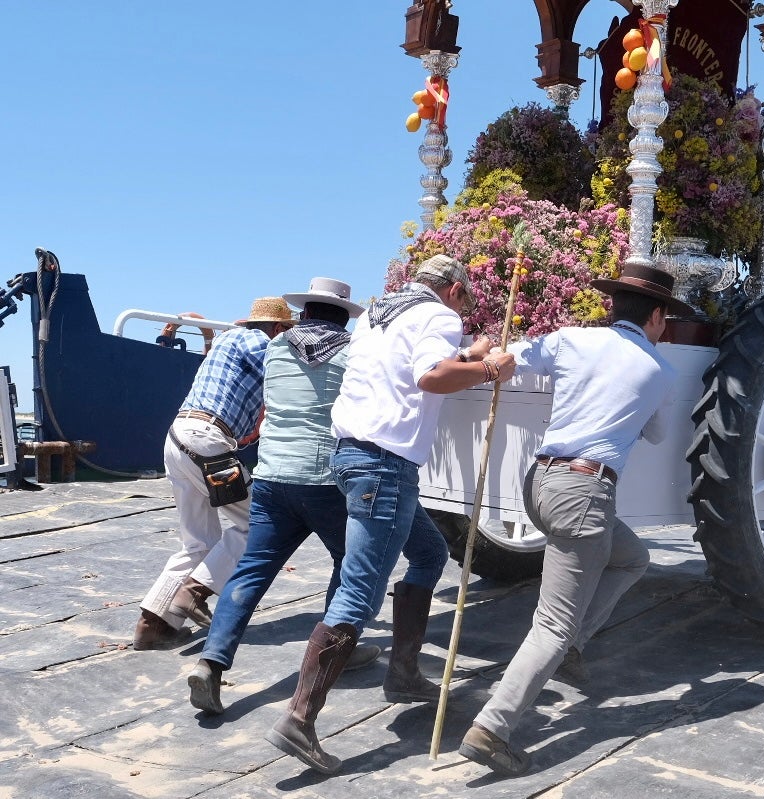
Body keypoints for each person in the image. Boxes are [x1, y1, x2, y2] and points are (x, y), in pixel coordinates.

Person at [266, 254, 516, 774]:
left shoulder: (380, 317)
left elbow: (409, 367)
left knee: (428, 553)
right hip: (384, 466)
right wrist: (490, 368)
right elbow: (431, 376)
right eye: (463, 298)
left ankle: (402, 672)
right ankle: (300, 716)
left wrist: (468, 353)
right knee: (360, 592)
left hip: (355, 458)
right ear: (451, 290)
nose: (462, 308)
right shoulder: (439, 317)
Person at [457, 263, 690, 778]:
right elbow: (653, 435)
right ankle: (492, 728)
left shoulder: (570, 339)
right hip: (585, 491)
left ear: (613, 306)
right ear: (655, 316)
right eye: (664, 318)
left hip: (540, 482)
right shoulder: (659, 370)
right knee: (552, 625)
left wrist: (483, 352)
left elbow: (506, 359)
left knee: (633, 558)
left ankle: (574, 647)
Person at [188, 277, 387, 714]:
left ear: (304, 313)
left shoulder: (275, 349)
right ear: (343, 316)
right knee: (349, 564)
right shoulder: (353, 353)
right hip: (325, 481)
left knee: (252, 570)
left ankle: (211, 661)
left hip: (273, 477)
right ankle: (341, 648)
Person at [134, 297, 295, 650]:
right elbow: (294, 370)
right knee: (257, 524)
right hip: (210, 444)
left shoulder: (227, 340)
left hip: (178, 439)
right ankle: (193, 594)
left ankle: (152, 624)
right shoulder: (264, 346)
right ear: (279, 329)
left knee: (198, 542)